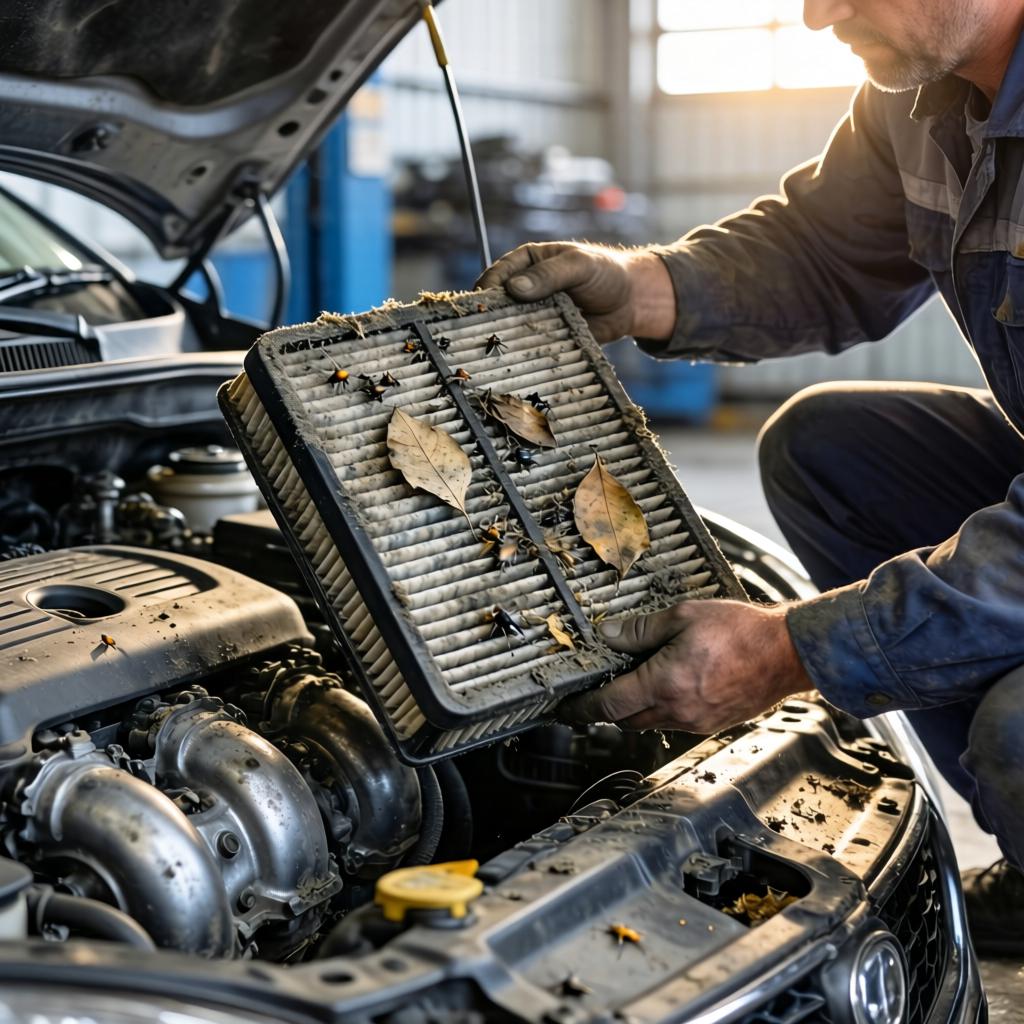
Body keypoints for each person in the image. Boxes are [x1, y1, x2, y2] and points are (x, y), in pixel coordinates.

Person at [478, 0, 1024, 956]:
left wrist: (789, 650)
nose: (819, 15)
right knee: (832, 449)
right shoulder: (917, 98)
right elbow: (822, 253)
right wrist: (640, 285)